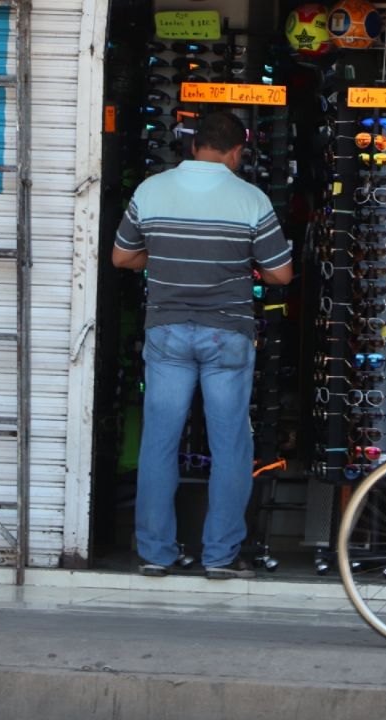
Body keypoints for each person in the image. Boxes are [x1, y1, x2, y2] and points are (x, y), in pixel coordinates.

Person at [112, 111, 293, 579]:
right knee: (230, 444)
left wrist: (168, 257)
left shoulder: (150, 191)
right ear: (236, 152)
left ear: (194, 146)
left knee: (159, 442)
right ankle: (220, 556)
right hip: (226, 333)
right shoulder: (251, 199)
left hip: (167, 329)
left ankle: (156, 553)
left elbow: (123, 256)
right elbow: (280, 274)